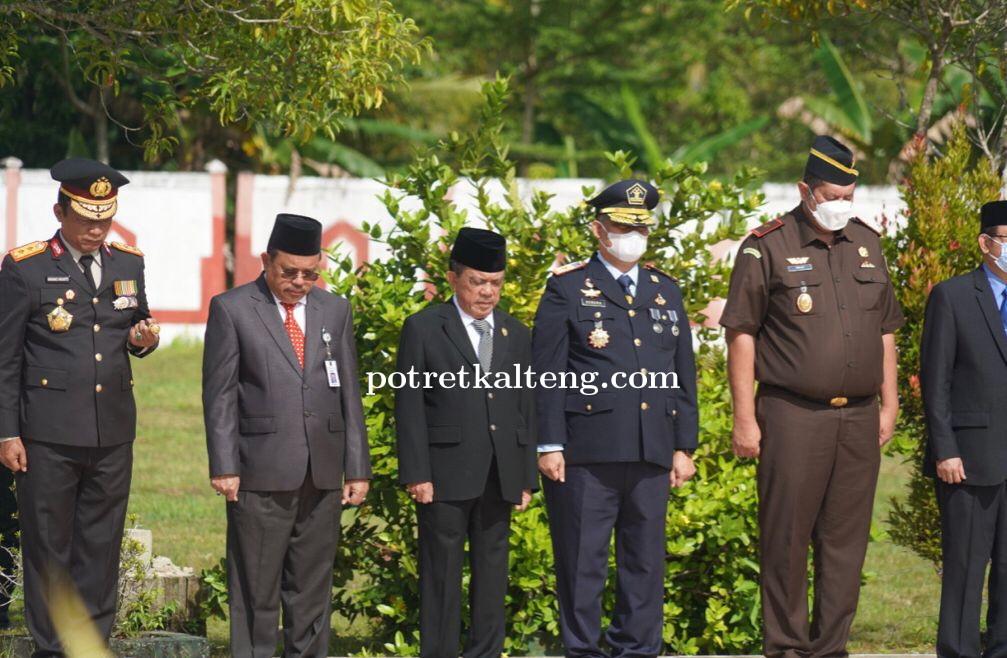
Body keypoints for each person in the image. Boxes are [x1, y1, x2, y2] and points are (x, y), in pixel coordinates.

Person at [720, 135, 904, 658]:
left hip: (859, 418)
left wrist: (889, 402)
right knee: (786, 539)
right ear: (805, 190)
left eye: (850, 194)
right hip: (792, 416)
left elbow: (886, 329)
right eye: (832, 194)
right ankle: (785, 648)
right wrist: (744, 418)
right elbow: (741, 333)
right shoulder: (767, 245)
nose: (841, 205)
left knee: (844, 545)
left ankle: (831, 649)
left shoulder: (867, 242)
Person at [532, 179, 699, 658]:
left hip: (651, 448)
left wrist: (683, 445)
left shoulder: (665, 290)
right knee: (582, 562)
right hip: (587, 452)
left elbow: (681, 375)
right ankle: (582, 650)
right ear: (598, 230)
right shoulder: (567, 287)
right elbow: (547, 372)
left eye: (641, 227)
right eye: (624, 227)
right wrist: (549, 444)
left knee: (645, 564)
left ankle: (637, 649)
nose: (634, 236)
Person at [0, 158, 159, 657]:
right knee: (49, 550)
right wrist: (8, 433)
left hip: (111, 431)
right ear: (60, 212)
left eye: (104, 220)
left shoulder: (127, 262)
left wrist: (144, 339)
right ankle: (50, 648)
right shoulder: (25, 267)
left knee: (101, 546)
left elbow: (136, 325)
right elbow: (5, 359)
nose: (95, 230)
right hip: (45, 434)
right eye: (86, 219)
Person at [202, 213, 370, 658]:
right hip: (259, 470)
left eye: (309, 273)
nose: (299, 281)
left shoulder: (335, 309)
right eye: (288, 271)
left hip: (323, 472)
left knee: (312, 588)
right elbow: (219, 395)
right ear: (265, 261)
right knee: (256, 587)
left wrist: (357, 467)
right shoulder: (233, 309)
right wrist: (224, 466)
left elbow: (348, 392)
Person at [395, 227, 537, 658]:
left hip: (500, 474)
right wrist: (417, 472)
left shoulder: (516, 333)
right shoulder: (423, 328)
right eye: (478, 281)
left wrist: (525, 476)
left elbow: (525, 407)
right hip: (444, 473)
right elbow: (410, 406)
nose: (487, 292)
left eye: (495, 282)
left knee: (492, 575)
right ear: (454, 278)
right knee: (441, 575)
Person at [921, 199, 1007, 658]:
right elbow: (936, 382)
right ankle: (958, 650)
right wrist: (945, 449)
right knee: (966, 568)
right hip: (969, 459)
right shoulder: (953, 296)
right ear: (986, 243)